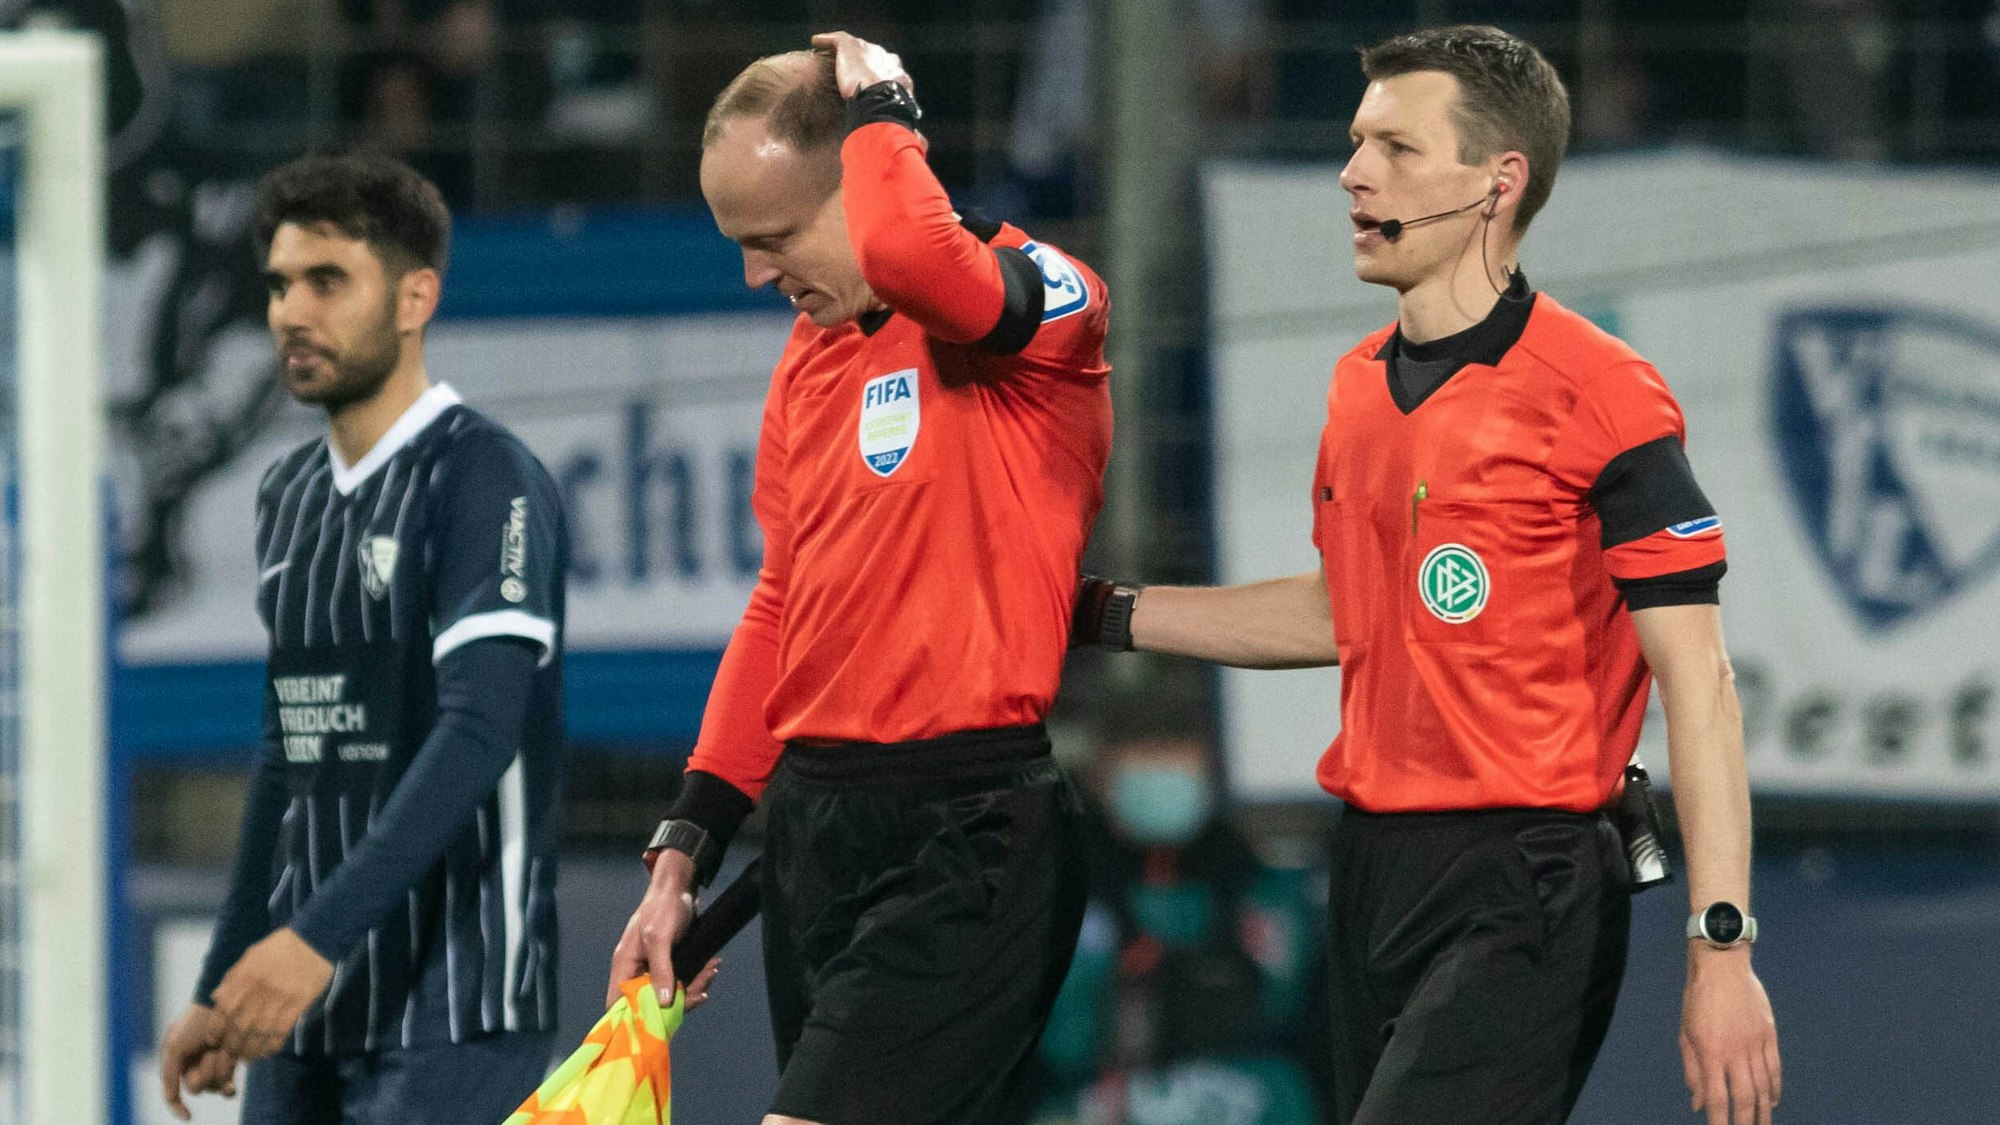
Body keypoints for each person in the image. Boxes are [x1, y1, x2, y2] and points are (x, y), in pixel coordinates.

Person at [1073, 25, 1781, 1125]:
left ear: (1496, 184)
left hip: (1527, 880)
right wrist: (1100, 615)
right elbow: (1343, 612)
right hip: (1368, 871)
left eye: (1395, 148)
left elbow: (1701, 688)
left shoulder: (1601, 393)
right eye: (1356, 144)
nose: (1353, 173)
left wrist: (1719, 945)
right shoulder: (1356, 387)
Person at [604, 31, 1115, 1125]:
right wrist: (681, 851)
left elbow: (923, 261)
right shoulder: (810, 361)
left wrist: (885, 102)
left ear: (870, 174)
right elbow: (783, 604)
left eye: (775, 235)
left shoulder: (1045, 307)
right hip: (817, 832)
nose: (754, 273)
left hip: (968, 838)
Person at [156, 150, 569, 1123]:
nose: (289, 311)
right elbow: (285, 754)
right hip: (312, 1004)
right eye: (278, 284)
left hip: (459, 1003)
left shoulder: (483, 478)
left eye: (326, 280)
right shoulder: (286, 495)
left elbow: (479, 732)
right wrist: (226, 979)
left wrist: (309, 941)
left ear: (415, 296)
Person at [1031, 697, 1329, 1125]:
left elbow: (1293, 1009)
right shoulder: (1061, 888)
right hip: (1092, 1099)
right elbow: (1052, 1035)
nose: (1164, 773)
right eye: (1146, 756)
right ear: (1102, 775)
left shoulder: (1256, 883)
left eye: (1177, 756)